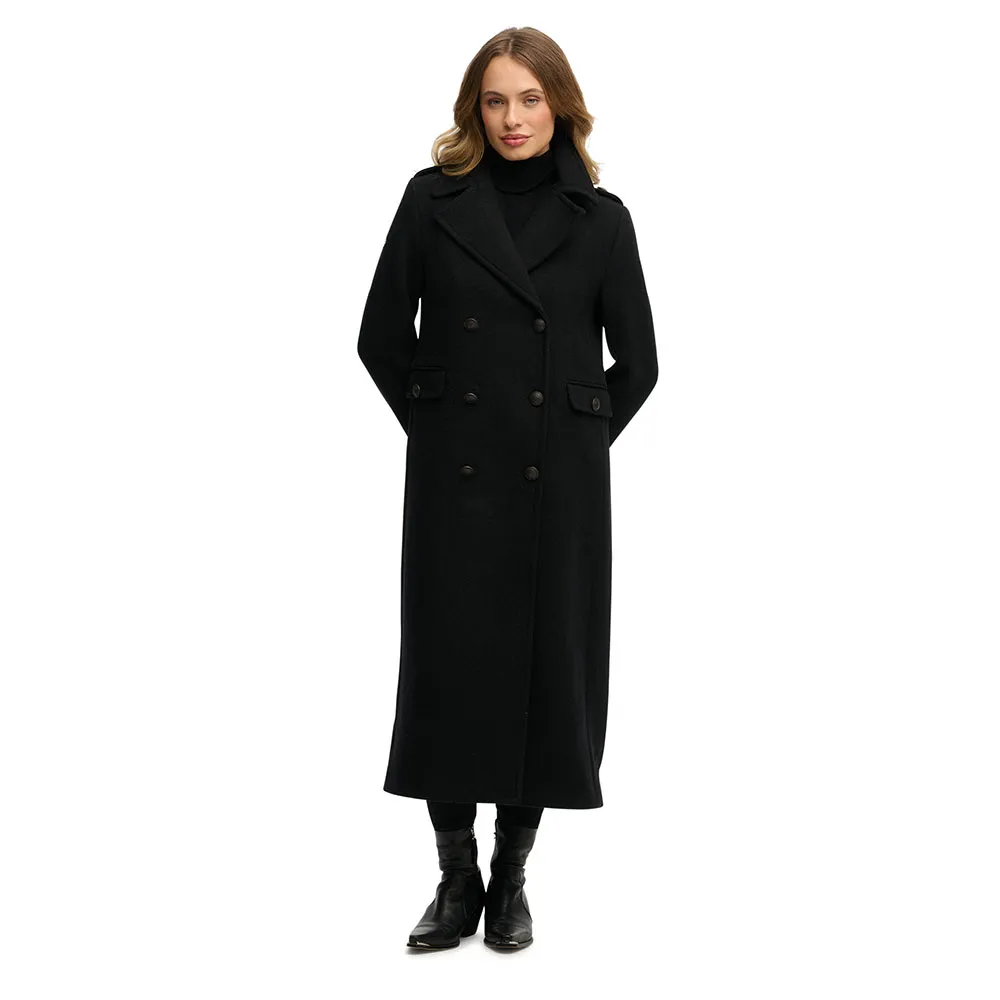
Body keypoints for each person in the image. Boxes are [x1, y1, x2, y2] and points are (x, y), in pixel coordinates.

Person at [357, 26, 658, 951]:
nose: (513, 118)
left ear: (559, 106)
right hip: (453, 483)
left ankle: (512, 880)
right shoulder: (432, 199)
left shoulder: (600, 219)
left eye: (530, 99)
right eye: (495, 100)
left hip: (556, 491)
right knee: (448, 669)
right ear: (473, 109)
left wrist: (568, 444)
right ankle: (456, 877)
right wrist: (443, 429)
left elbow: (639, 364)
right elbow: (379, 337)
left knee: (543, 671)